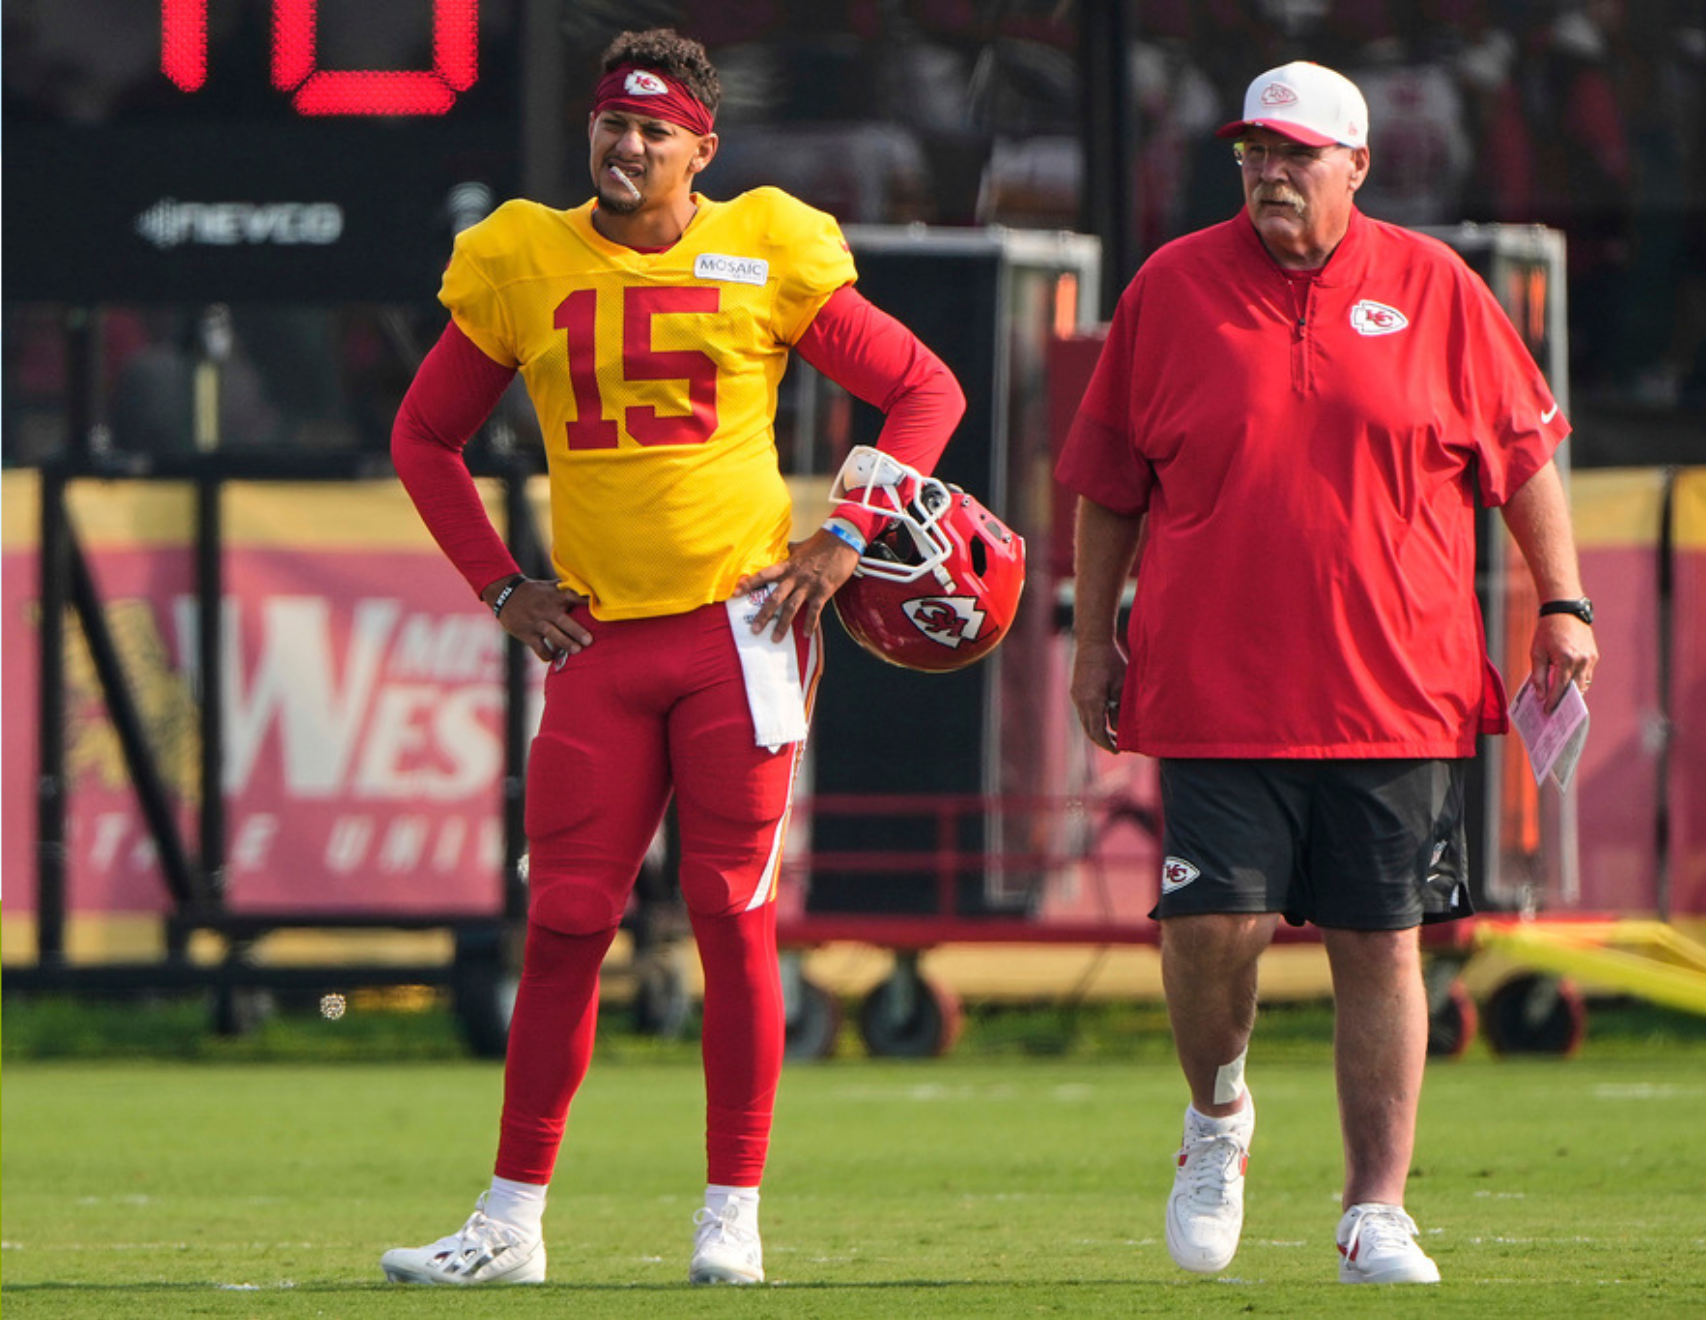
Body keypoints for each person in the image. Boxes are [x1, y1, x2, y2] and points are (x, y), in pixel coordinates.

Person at [379, 27, 963, 1287]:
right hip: (596, 636)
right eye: (612, 122)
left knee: (729, 916)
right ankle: (510, 1222)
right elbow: (424, 437)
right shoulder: (523, 257)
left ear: (703, 148)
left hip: (736, 633)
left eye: (655, 129)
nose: (627, 144)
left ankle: (732, 1214)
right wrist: (499, 582)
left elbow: (924, 391)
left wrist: (846, 539)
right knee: (565, 921)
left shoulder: (765, 243)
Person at [1055, 61, 1597, 1285]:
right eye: (1253, 152)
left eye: (1296, 155)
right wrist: (1096, 640)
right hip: (1214, 685)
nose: (1270, 174)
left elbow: (1524, 459)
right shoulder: (1170, 287)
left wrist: (1562, 601)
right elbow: (1108, 485)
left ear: (1357, 163)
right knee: (1210, 928)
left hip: (1398, 688)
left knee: (1382, 943)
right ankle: (1218, 1122)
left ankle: (1376, 1211)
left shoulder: (1438, 287)